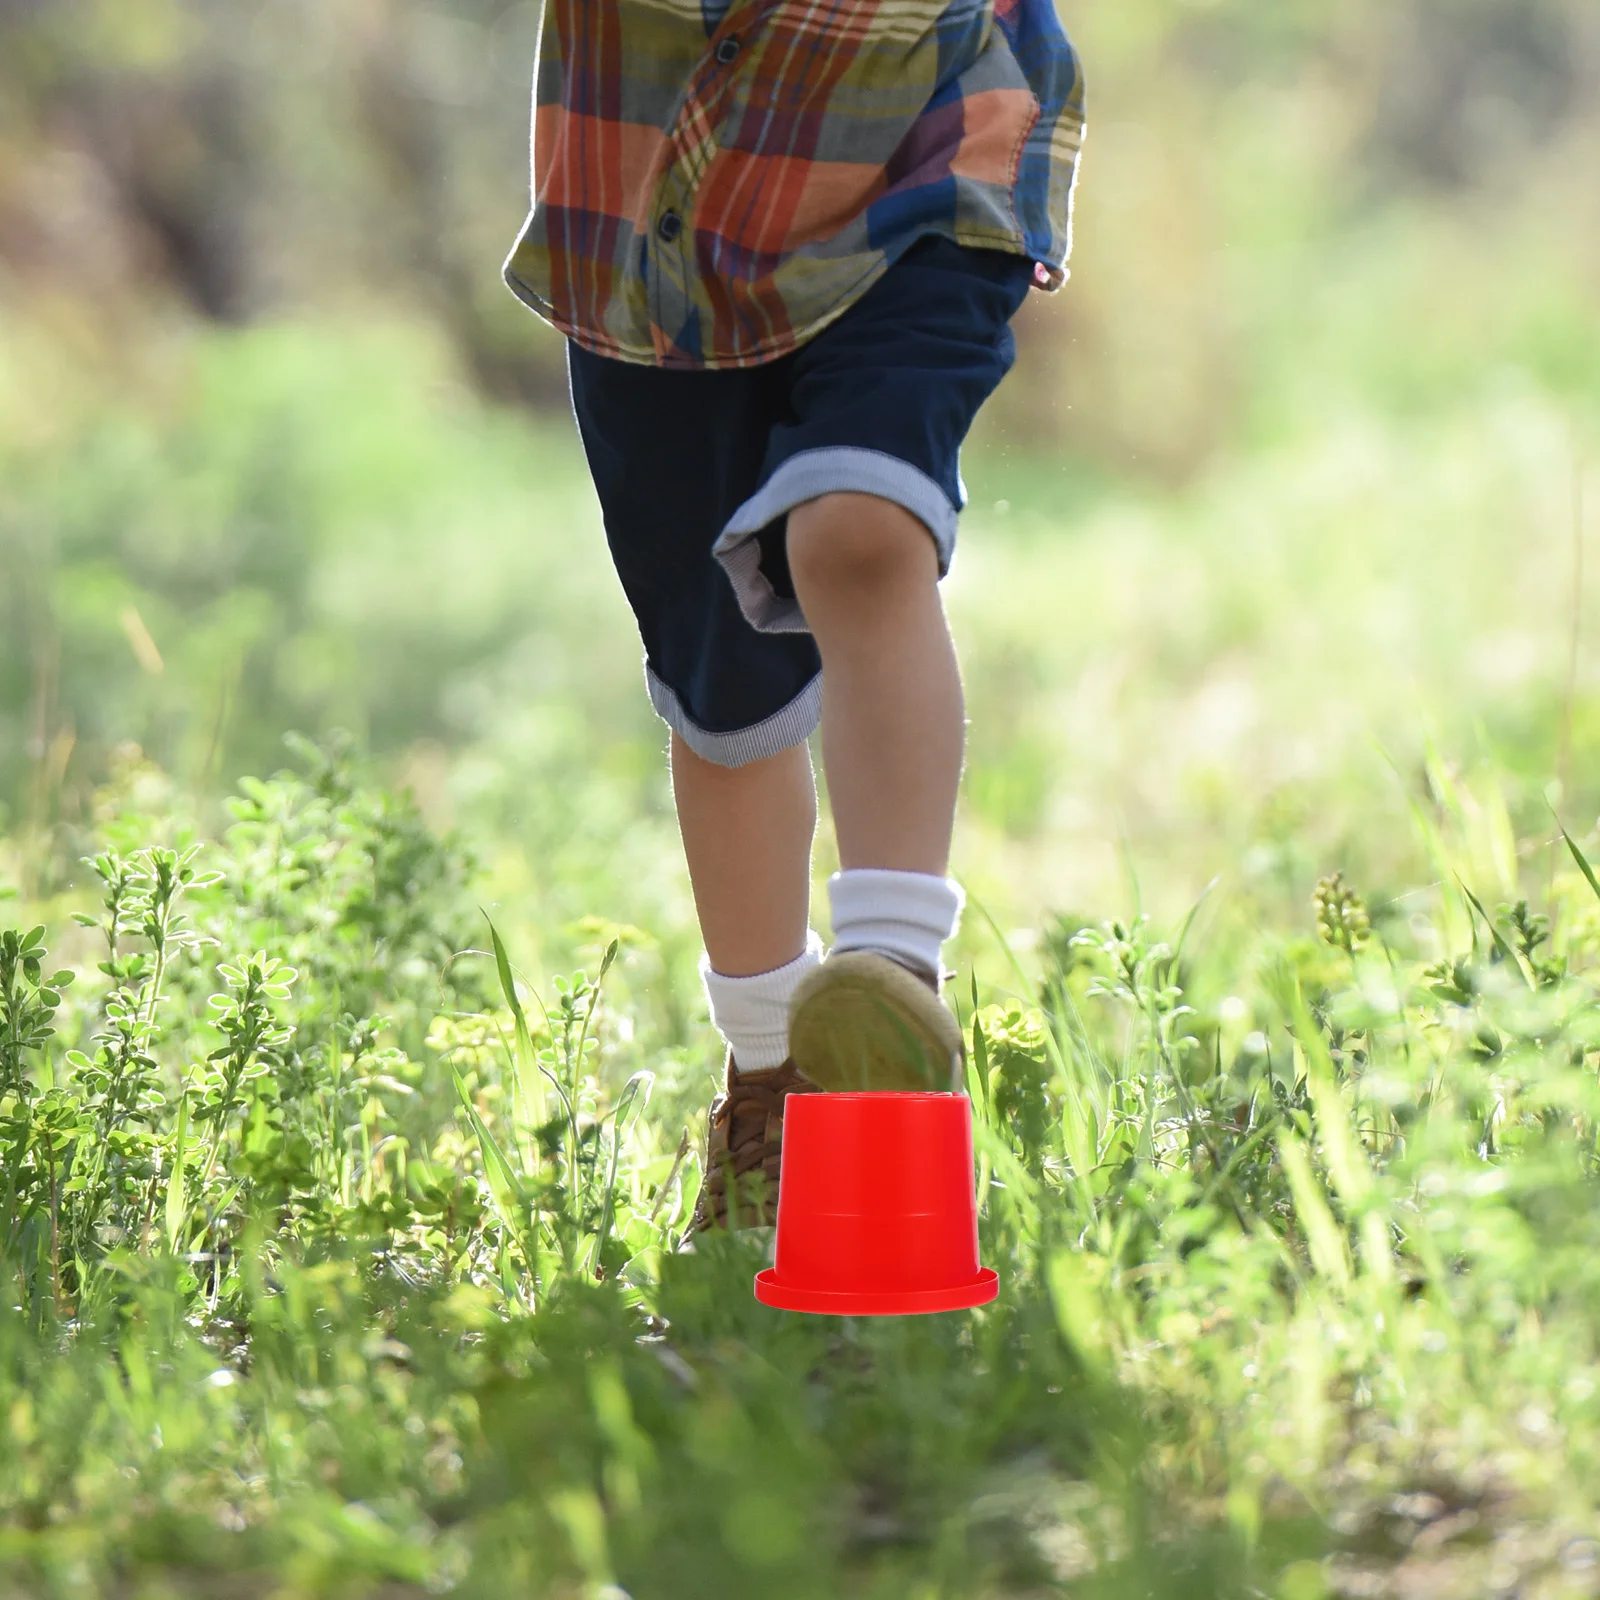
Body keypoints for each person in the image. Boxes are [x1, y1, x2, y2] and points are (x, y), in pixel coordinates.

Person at [502, 0, 1086, 1233]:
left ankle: (887, 974)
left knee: (858, 530)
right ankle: (768, 1068)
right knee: (724, 697)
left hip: (925, 156)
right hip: (653, 219)